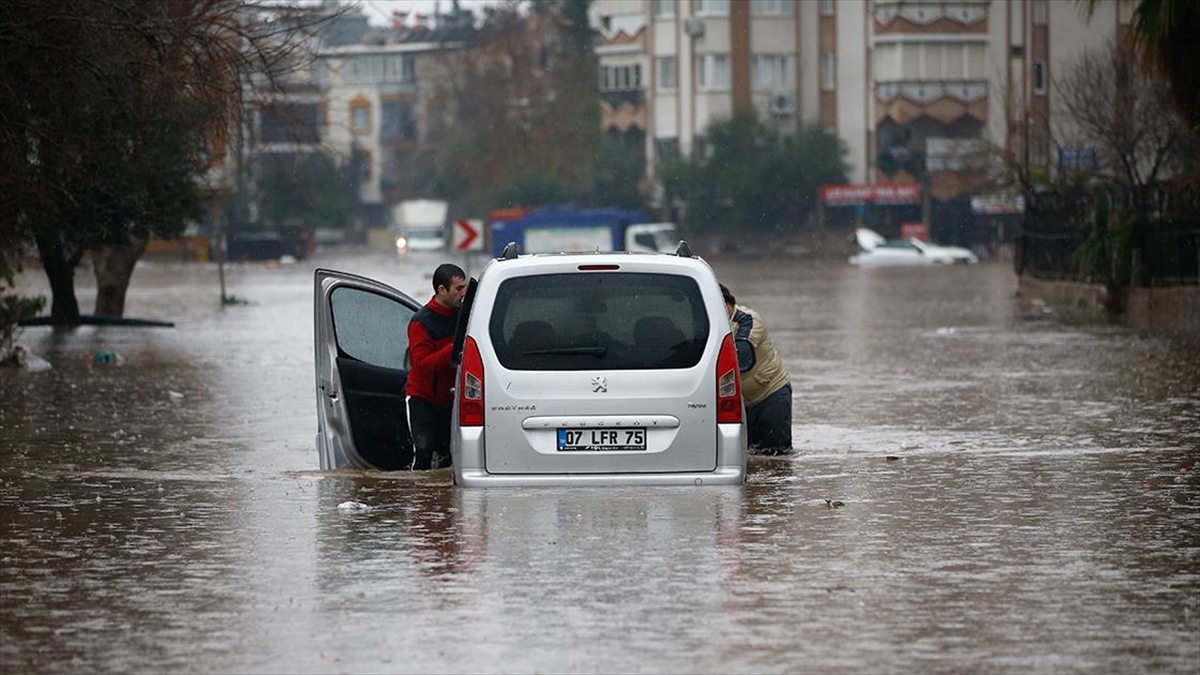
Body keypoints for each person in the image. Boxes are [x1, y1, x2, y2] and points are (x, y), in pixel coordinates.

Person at [406, 263, 468, 470]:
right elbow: (422, 365)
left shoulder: (464, 316)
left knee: (452, 456)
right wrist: (453, 348)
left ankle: (445, 501)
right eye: (459, 289)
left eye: (465, 288)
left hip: (452, 399)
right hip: (422, 400)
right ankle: (421, 499)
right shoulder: (421, 323)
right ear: (442, 290)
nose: (463, 294)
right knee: (423, 452)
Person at [720, 283, 793, 455]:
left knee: (777, 456)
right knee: (750, 455)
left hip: (771, 395)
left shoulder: (748, 319)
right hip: (743, 403)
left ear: (729, 304)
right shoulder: (711, 325)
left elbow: (739, 354)